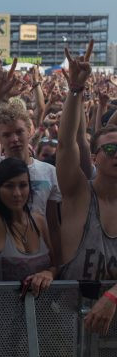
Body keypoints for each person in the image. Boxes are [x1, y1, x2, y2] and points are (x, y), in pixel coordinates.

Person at [0, 77, 56, 295]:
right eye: (9, 186)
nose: (17, 193)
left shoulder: (39, 220)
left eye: (23, 185)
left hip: (41, 317)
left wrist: (49, 273)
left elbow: (56, 262)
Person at [57, 40, 117, 335]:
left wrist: (113, 295)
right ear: (93, 157)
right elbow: (68, 143)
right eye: (110, 149)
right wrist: (75, 90)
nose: (116, 154)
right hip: (65, 331)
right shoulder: (79, 193)